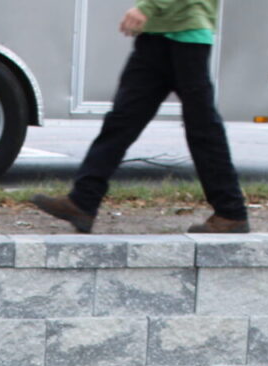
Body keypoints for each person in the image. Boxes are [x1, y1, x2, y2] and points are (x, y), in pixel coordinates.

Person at [31, 1, 250, 235]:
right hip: (155, 37)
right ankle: (83, 201)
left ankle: (231, 212)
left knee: (203, 129)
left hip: (186, 34)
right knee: (121, 121)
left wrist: (148, 7)